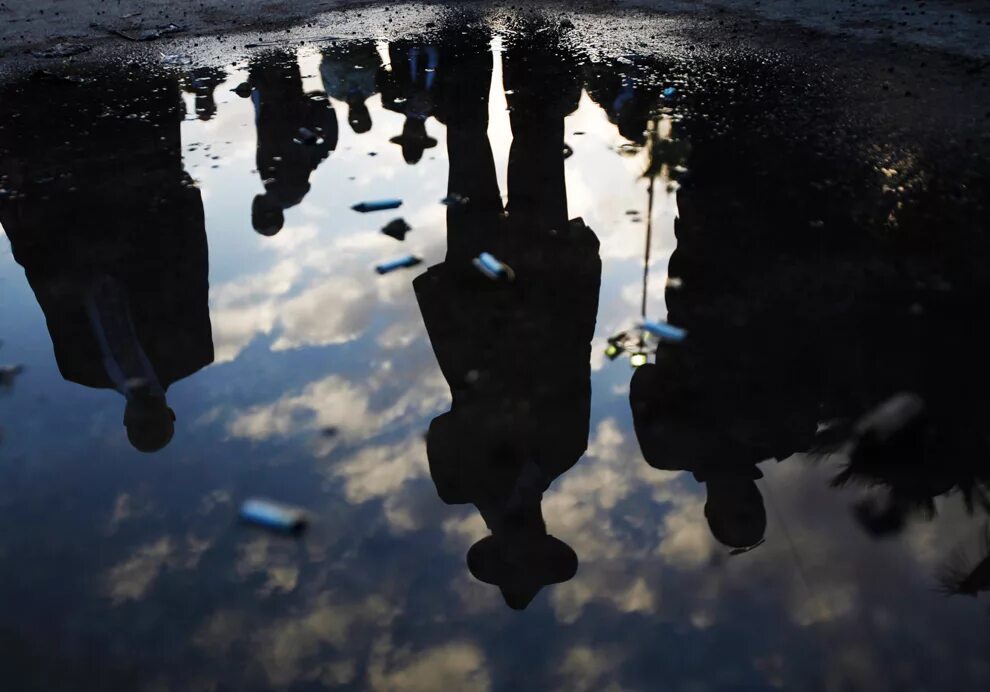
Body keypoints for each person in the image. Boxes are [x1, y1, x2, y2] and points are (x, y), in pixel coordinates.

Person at [416, 28, 600, 609]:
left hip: (474, 296)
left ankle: (463, 38)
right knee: (540, 141)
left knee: (467, 144)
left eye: (512, 559)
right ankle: (536, 41)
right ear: (546, 539)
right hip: (544, 279)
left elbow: (444, 429)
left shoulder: (458, 485)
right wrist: (579, 267)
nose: (524, 546)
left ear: (495, 548)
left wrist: (487, 487)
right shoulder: (564, 452)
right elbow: (576, 351)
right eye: (534, 555)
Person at [0, 68, 214, 453]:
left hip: (66, 217)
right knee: (118, 88)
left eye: (140, 426)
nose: (145, 418)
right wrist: (181, 198)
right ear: (169, 414)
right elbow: (191, 275)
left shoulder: (79, 368)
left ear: (127, 420)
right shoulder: (191, 354)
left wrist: (26, 235)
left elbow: (51, 299)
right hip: (136, 203)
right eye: (153, 424)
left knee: (43, 90)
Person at [248, 51, 338, 235]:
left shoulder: (281, 187)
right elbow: (294, 146)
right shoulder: (285, 186)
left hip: (284, 112)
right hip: (281, 112)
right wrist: (297, 129)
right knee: (273, 61)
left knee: (282, 63)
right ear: (262, 212)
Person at [378, 40, 440, 164]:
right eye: (417, 139)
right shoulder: (441, 107)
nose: (414, 134)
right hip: (439, 42)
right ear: (424, 135)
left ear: (403, 133)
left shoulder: (391, 101)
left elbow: (381, 74)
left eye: (409, 138)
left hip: (403, 39)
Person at [320, 39, 381, 134]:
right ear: (368, 113)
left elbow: (326, 65)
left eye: (356, 117)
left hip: (332, 44)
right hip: (360, 40)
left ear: (349, 116)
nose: (358, 112)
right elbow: (375, 60)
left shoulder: (334, 93)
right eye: (363, 115)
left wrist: (352, 66)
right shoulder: (374, 87)